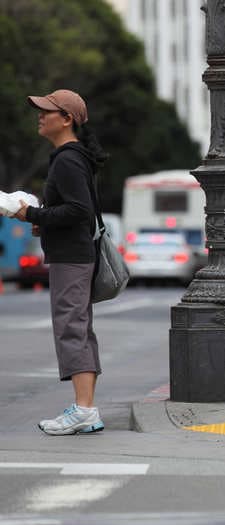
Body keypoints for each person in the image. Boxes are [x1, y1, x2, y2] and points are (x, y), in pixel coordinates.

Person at [13, 89, 108, 435]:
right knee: (79, 328)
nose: (39, 116)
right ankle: (86, 409)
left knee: (71, 329)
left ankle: (84, 410)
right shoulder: (72, 156)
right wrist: (43, 219)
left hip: (72, 259)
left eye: (46, 111)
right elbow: (76, 210)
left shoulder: (67, 159)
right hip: (76, 255)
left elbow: (79, 211)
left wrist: (30, 213)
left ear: (66, 119)